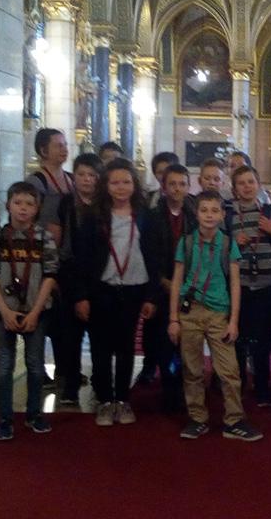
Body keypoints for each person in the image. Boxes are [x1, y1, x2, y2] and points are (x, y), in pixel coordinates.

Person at [168, 190, 263, 442]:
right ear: (196, 214)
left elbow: (235, 284)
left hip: (218, 312)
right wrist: (173, 318)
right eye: (204, 210)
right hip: (189, 312)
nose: (209, 215)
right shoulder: (187, 242)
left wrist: (233, 321)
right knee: (192, 368)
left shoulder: (228, 244)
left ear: (222, 215)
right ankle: (197, 418)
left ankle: (234, 419)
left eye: (214, 211)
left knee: (229, 371)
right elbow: (177, 281)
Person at [73, 159, 161, 427]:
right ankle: (104, 399)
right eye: (115, 182)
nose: (121, 187)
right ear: (106, 186)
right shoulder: (94, 216)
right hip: (102, 288)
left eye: (126, 182)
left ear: (134, 185)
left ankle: (122, 399)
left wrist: (151, 296)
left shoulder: (146, 216)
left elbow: (154, 257)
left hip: (134, 287)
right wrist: (81, 295)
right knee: (100, 346)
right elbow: (82, 258)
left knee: (125, 346)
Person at [0, 181, 59, 440]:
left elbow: (50, 276)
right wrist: (4, 310)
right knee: (4, 366)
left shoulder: (44, 238)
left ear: (37, 208)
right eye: (18, 203)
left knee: (35, 365)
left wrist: (36, 312)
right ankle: (5, 418)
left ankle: (34, 413)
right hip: (5, 311)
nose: (23, 209)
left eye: (29, 204)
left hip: (35, 311)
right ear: (8, 205)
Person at [227, 165, 271, 407]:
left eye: (251, 182)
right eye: (241, 183)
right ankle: (240, 383)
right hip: (240, 288)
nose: (247, 187)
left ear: (258, 185)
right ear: (234, 188)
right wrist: (233, 244)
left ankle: (262, 387)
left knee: (263, 341)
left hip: (267, 287)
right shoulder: (228, 217)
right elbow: (221, 251)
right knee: (239, 340)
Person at [24, 128, 73, 388]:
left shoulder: (70, 179)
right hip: (43, 258)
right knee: (43, 313)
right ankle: (38, 369)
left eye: (65, 145)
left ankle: (66, 367)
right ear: (43, 150)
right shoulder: (37, 182)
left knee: (64, 317)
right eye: (58, 145)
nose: (64, 149)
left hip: (66, 255)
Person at [148, 164, 197, 413]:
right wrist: (164, 282)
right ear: (164, 187)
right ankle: (168, 390)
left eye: (182, 184)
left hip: (190, 289)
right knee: (165, 343)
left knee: (187, 344)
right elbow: (148, 255)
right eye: (172, 184)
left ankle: (186, 390)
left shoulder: (195, 215)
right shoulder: (153, 217)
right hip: (162, 287)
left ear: (188, 187)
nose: (177, 189)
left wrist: (186, 285)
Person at [55, 152, 102, 404]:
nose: (86, 179)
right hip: (71, 274)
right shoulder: (67, 204)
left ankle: (100, 381)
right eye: (81, 174)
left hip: (99, 278)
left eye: (92, 175)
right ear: (74, 177)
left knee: (99, 336)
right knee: (71, 335)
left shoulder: (104, 205)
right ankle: (71, 385)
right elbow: (62, 243)